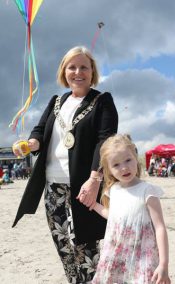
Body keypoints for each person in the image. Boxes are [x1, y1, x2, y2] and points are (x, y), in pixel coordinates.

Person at [12, 46, 118, 283]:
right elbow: (40, 133)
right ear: (64, 71)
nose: (77, 72)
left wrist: (94, 180)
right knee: (64, 249)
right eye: (72, 67)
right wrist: (29, 144)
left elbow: (106, 141)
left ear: (92, 72)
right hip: (53, 189)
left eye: (84, 67)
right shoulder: (56, 101)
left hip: (84, 187)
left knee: (87, 250)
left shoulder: (102, 101)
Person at [83, 134, 170, 284]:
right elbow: (114, 217)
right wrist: (95, 205)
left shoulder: (147, 190)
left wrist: (163, 264)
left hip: (143, 258)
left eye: (128, 160)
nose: (124, 168)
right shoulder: (113, 190)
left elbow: (160, 227)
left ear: (135, 157)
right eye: (116, 165)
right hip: (117, 256)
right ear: (108, 169)